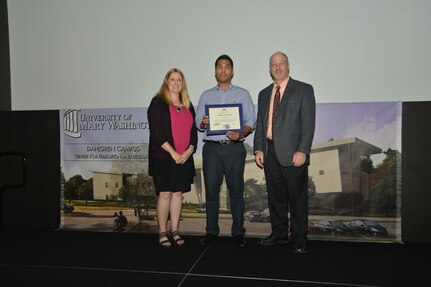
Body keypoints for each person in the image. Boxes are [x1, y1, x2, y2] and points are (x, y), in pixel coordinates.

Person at [254, 51, 315, 254]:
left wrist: (302, 150)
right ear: (269, 69)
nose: (278, 67)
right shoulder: (264, 94)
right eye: (274, 64)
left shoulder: (304, 90)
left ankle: (299, 238)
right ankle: (279, 234)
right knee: (276, 197)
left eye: (282, 63)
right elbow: (261, 125)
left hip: (293, 154)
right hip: (270, 153)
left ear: (288, 66)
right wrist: (259, 149)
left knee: (297, 199)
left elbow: (308, 124)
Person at [196, 54, 256, 247]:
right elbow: (198, 122)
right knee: (212, 193)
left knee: (236, 193)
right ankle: (211, 232)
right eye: (219, 67)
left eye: (227, 67)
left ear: (232, 71)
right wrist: (203, 122)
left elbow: (250, 122)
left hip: (234, 149)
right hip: (212, 150)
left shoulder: (243, 94)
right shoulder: (206, 95)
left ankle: (238, 232)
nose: (223, 70)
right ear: (215, 71)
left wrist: (241, 134)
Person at [148, 68, 198, 248]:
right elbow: (156, 133)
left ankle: (175, 230)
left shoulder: (188, 104)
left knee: (178, 194)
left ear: (182, 83)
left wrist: (189, 150)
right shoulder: (157, 103)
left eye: (179, 80)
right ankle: (162, 231)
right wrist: (174, 153)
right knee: (165, 194)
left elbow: (193, 132)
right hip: (164, 157)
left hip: (184, 157)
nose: (176, 83)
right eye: (173, 79)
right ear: (166, 82)